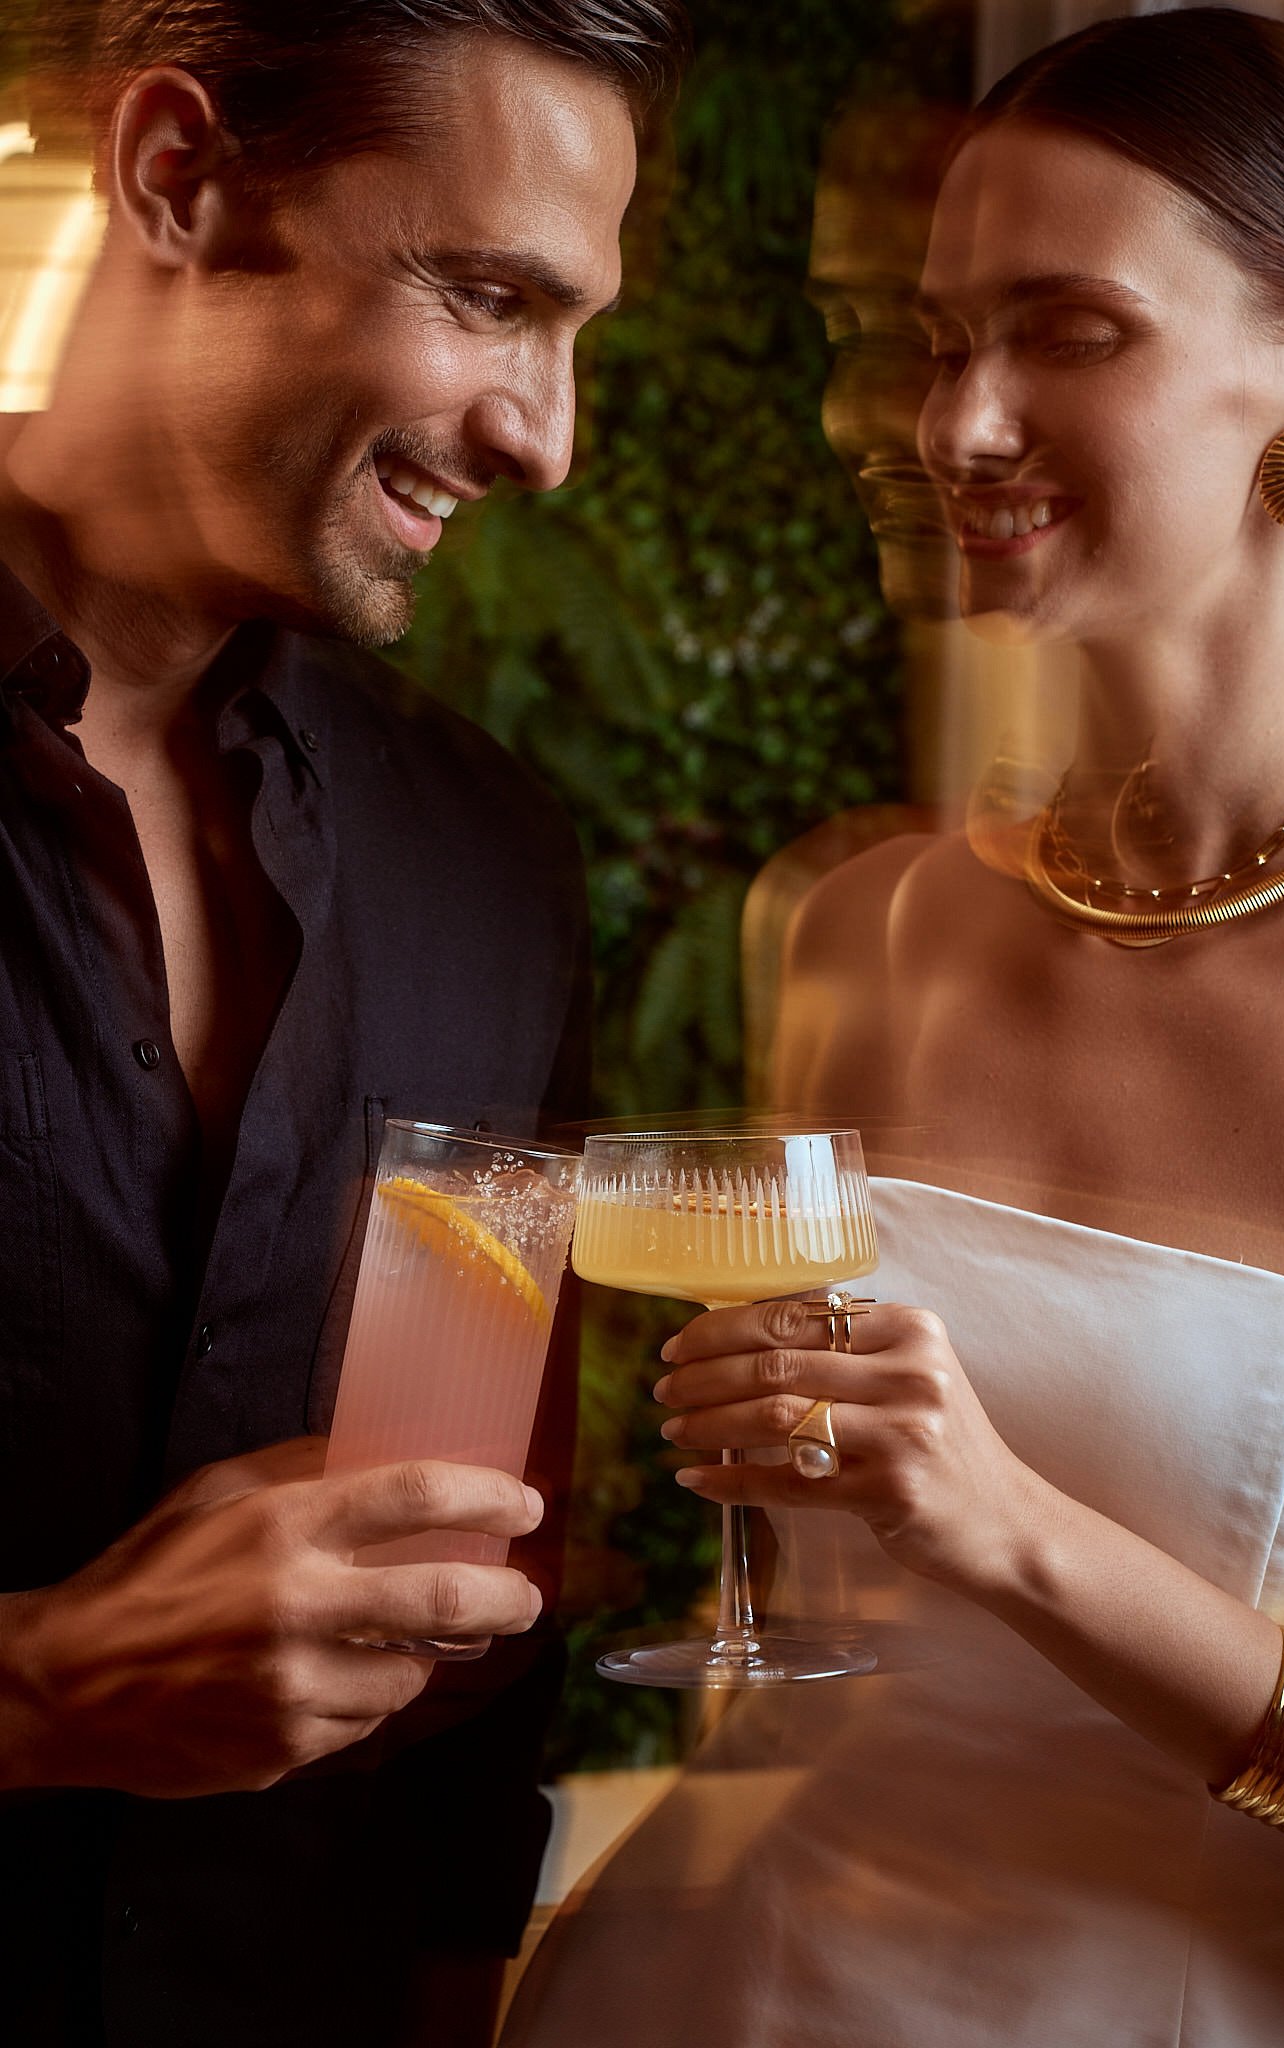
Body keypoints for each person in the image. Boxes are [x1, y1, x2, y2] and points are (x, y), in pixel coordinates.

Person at [502, 11, 1284, 2045]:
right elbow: (805, 1631)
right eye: (933, 335)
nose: (953, 422)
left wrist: (1007, 1531)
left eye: (1066, 332)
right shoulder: (858, 925)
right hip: (724, 1974)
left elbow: (963, 1520)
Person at [0, 2, 689, 2043]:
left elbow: (473, 1601)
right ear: (178, 180)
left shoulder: (487, 858)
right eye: (486, 298)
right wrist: (34, 1689)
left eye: (572, 334)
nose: (542, 435)